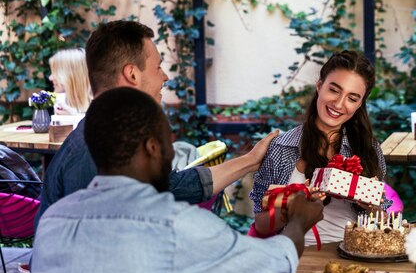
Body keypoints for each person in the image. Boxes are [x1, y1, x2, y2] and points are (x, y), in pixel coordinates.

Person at [16, 87, 324, 273]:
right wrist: (299, 219)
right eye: (169, 142)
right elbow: (278, 265)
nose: (170, 154)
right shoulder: (172, 222)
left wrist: (220, 269)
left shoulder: (55, 219)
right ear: (153, 147)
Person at [35, 20, 278, 230]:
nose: (165, 77)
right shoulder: (94, 152)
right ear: (132, 74)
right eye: (158, 67)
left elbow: (175, 186)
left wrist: (250, 160)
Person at [249, 50, 388, 245]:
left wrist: (371, 206)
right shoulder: (281, 147)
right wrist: (294, 204)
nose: (339, 104)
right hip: (294, 256)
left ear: (360, 104)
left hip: (352, 256)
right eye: (334, 90)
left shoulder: (369, 149)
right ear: (319, 86)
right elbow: (261, 225)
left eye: (352, 98)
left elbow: (383, 225)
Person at [48, 48, 92, 115]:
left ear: (71, 75)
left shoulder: (101, 106)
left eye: (55, 72)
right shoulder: (61, 103)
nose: (50, 78)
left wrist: (74, 116)